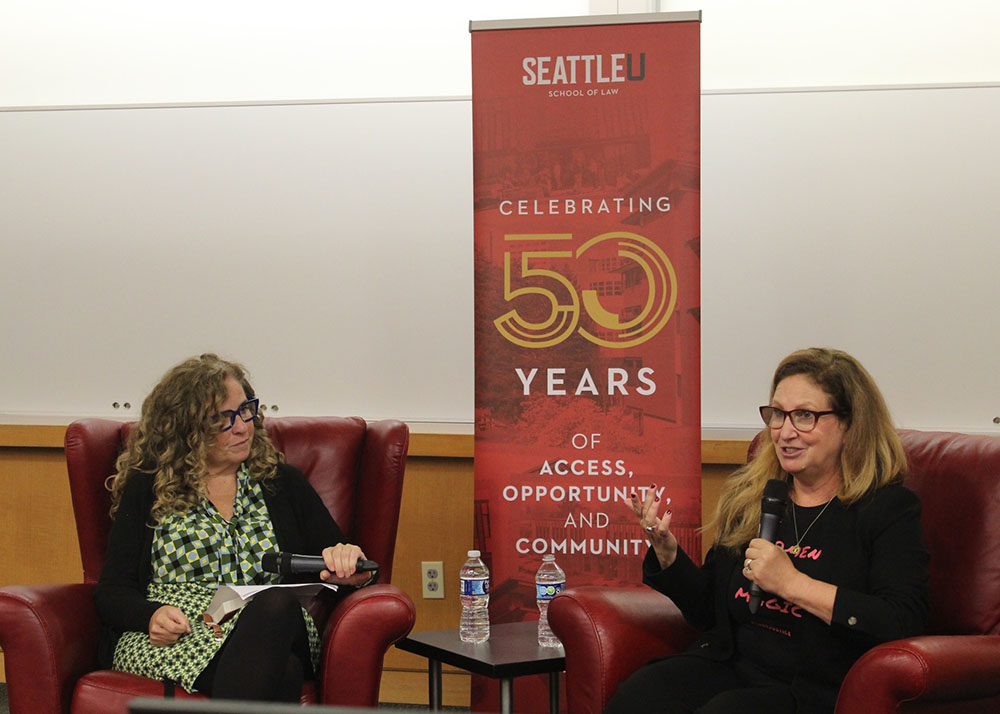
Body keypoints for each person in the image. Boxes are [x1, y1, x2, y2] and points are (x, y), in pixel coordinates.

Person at [607, 348, 930, 714]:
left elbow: (900, 620)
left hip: (814, 688)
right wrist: (668, 555)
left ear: (849, 424)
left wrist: (792, 583)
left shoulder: (886, 509)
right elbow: (709, 613)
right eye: (777, 414)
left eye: (804, 416)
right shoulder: (755, 496)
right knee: (642, 695)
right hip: (733, 666)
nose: (784, 432)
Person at [95, 354, 373, 702]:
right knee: (282, 673)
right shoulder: (149, 487)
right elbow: (112, 590)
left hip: (273, 624)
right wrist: (151, 615)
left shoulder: (281, 484)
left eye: (245, 410)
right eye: (222, 419)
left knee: (276, 604)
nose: (242, 426)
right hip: (180, 637)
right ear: (185, 429)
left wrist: (349, 563)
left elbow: (349, 564)